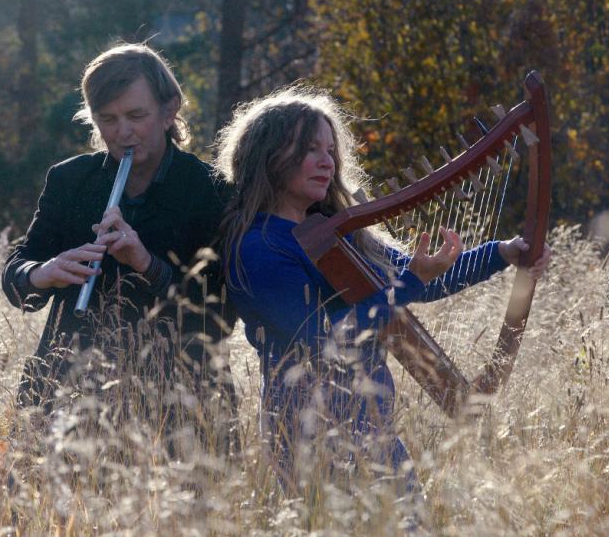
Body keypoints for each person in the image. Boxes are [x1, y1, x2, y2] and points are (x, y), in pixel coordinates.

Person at [215, 86, 551, 500]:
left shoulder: (329, 232)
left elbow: (418, 277)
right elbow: (321, 339)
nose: (326, 161)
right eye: (309, 149)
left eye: (330, 149)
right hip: (309, 436)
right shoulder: (259, 247)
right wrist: (410, 281)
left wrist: (502, 253)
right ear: (268, 156)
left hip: (373, 430)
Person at [2, 44, 236, 435]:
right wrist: (44, 273)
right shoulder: (70, 180)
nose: (122, 131)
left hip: (180, 403)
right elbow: (18, 272)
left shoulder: (210, 188)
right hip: (69, 391)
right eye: (107, 119)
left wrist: (147, 264)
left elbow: (222, 313)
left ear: (169, 110)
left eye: (136, 115)